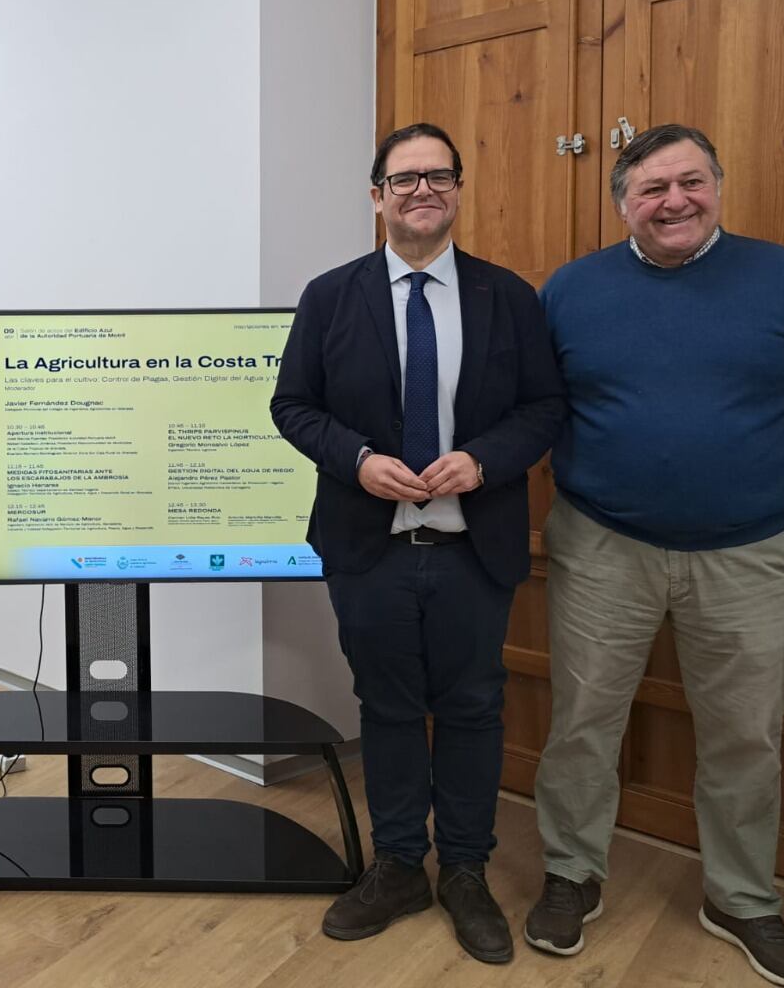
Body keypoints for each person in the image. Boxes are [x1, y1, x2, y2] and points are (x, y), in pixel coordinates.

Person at [527, 123, 784, 988]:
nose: (673, 200)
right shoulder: (571, 289)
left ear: (718, 185)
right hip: (602, 545)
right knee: (580, 723)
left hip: (749, 553)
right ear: (623, 205)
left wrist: (741, 459)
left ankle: (743, 898)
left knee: (747, 736)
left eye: (690, 182)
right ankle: (572, 873)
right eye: (651, 189)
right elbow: (538, 402)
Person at [272, 122, 565, 964]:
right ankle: (400, 864)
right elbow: (293, 407)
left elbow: (542, 408)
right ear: (377, 197)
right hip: (370, 547)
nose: (422, 190)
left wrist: (483, 460)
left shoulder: (509, 296)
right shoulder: (331, 296)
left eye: (439, 176)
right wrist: (358, 462)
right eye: (404, 179)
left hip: (476, 547)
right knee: (388, 707)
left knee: (474, 707)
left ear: (459, 191)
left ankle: (465, 872)